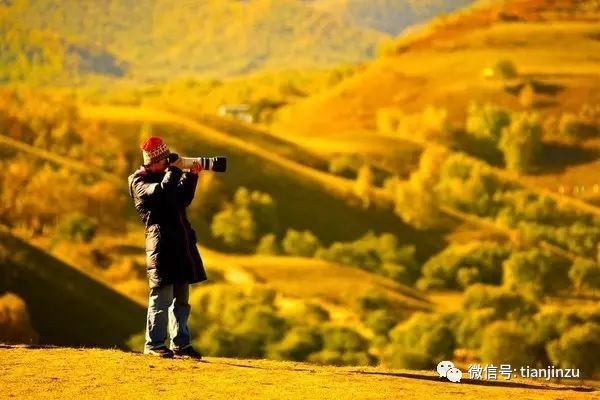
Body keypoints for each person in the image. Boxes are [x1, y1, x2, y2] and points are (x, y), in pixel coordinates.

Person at [128, 136, 207, 359]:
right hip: (161, 247)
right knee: (161, 298)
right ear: (153, 161)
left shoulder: (166, 177)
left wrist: (192, 177)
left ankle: (181, 343)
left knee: (182, 299)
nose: (167, 164)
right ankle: (153, 344)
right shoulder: (139, 181)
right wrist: (174, 171)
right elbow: (162, 194)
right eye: (164, 161)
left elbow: (180, 200)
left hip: (181, 245)